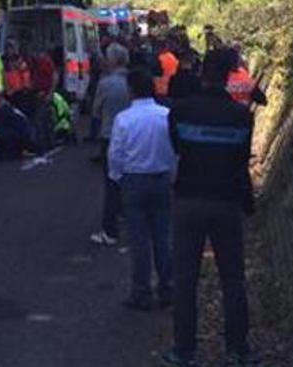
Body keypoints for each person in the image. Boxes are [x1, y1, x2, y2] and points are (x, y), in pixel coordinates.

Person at [160, 49, 260, 367]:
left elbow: (177, 149)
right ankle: (238, 349)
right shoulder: (243, 117)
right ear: (230, 75)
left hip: (189, 199)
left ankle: (184, 351)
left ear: (202, 73)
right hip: (226, 202)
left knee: (186, 279)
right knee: (233, 278)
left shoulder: (181, 112)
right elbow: (241, 160)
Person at [108, 70, 177, 311]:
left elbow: (115, 154)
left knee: (139, 240)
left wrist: (118, 177)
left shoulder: (124, 119)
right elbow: (175, 150)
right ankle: (168, 288)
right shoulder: (166, 115)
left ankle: (142, 292)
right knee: (163, 236)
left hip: (134, 180)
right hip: (161, 179)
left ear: (131, 90)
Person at [88, 43, 131, 247]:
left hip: (110, 134)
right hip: (131, 136)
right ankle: (127, 215)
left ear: (113, 60)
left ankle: (109, 230)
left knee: (111, 181)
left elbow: (96, 110)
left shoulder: (106, 83)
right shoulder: (132, 81)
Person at [28, 49, 57, 154]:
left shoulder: (45, 62)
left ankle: (43, 146)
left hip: (44, 95)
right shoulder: (34, 64)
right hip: (38, 94)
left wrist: (50, 93)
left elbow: (54, 77)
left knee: (40, 120)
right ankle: (49, 143)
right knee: (46, 120)